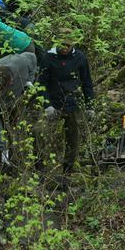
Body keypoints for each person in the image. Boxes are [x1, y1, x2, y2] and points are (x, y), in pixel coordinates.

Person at [37, 28, 95, 174]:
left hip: (73, 102)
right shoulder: (48, 57)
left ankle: (68, 169)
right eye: (62, 44)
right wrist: (47, 105)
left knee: (72, 137)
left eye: (68, 45)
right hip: (53, 102)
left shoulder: (80, 57)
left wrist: (90, 106)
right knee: (41, 134)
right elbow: (41, 83)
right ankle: (41, 169)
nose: (64, 48)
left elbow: (87, 82)